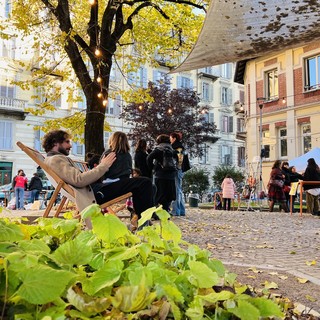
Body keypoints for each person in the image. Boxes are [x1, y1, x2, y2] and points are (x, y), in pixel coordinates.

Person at [42, 130, 154, 227]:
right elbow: (79, 180)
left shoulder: (55, 159)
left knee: (144, 184)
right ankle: (143, 222)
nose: (70, 145)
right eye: (67, 142)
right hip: (95, 193)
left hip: (97, 189)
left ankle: (141, 219)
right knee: (144, 183)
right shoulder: (55, 160)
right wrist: (103, 166)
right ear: (55, 143)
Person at [147, 134, 177, 213]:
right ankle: (166, 211)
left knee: (159, 194)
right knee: (168, 195)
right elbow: (177, 161)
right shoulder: (172, 149)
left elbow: (149, 158)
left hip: (160, 175)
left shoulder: (158, 149)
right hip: (171, 176)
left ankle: (156, 212)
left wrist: (153, 168)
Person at [169, 132, 186, 216]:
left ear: (174, 138)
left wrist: (176, 168)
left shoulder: (176, 147)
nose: (170, 140)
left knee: (176, 190)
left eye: (171, 138)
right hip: (180, 170)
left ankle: (176, 211)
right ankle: (181, 210)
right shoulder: (180, 146)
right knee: (179, 190)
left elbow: (179, 160)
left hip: (176, 170)